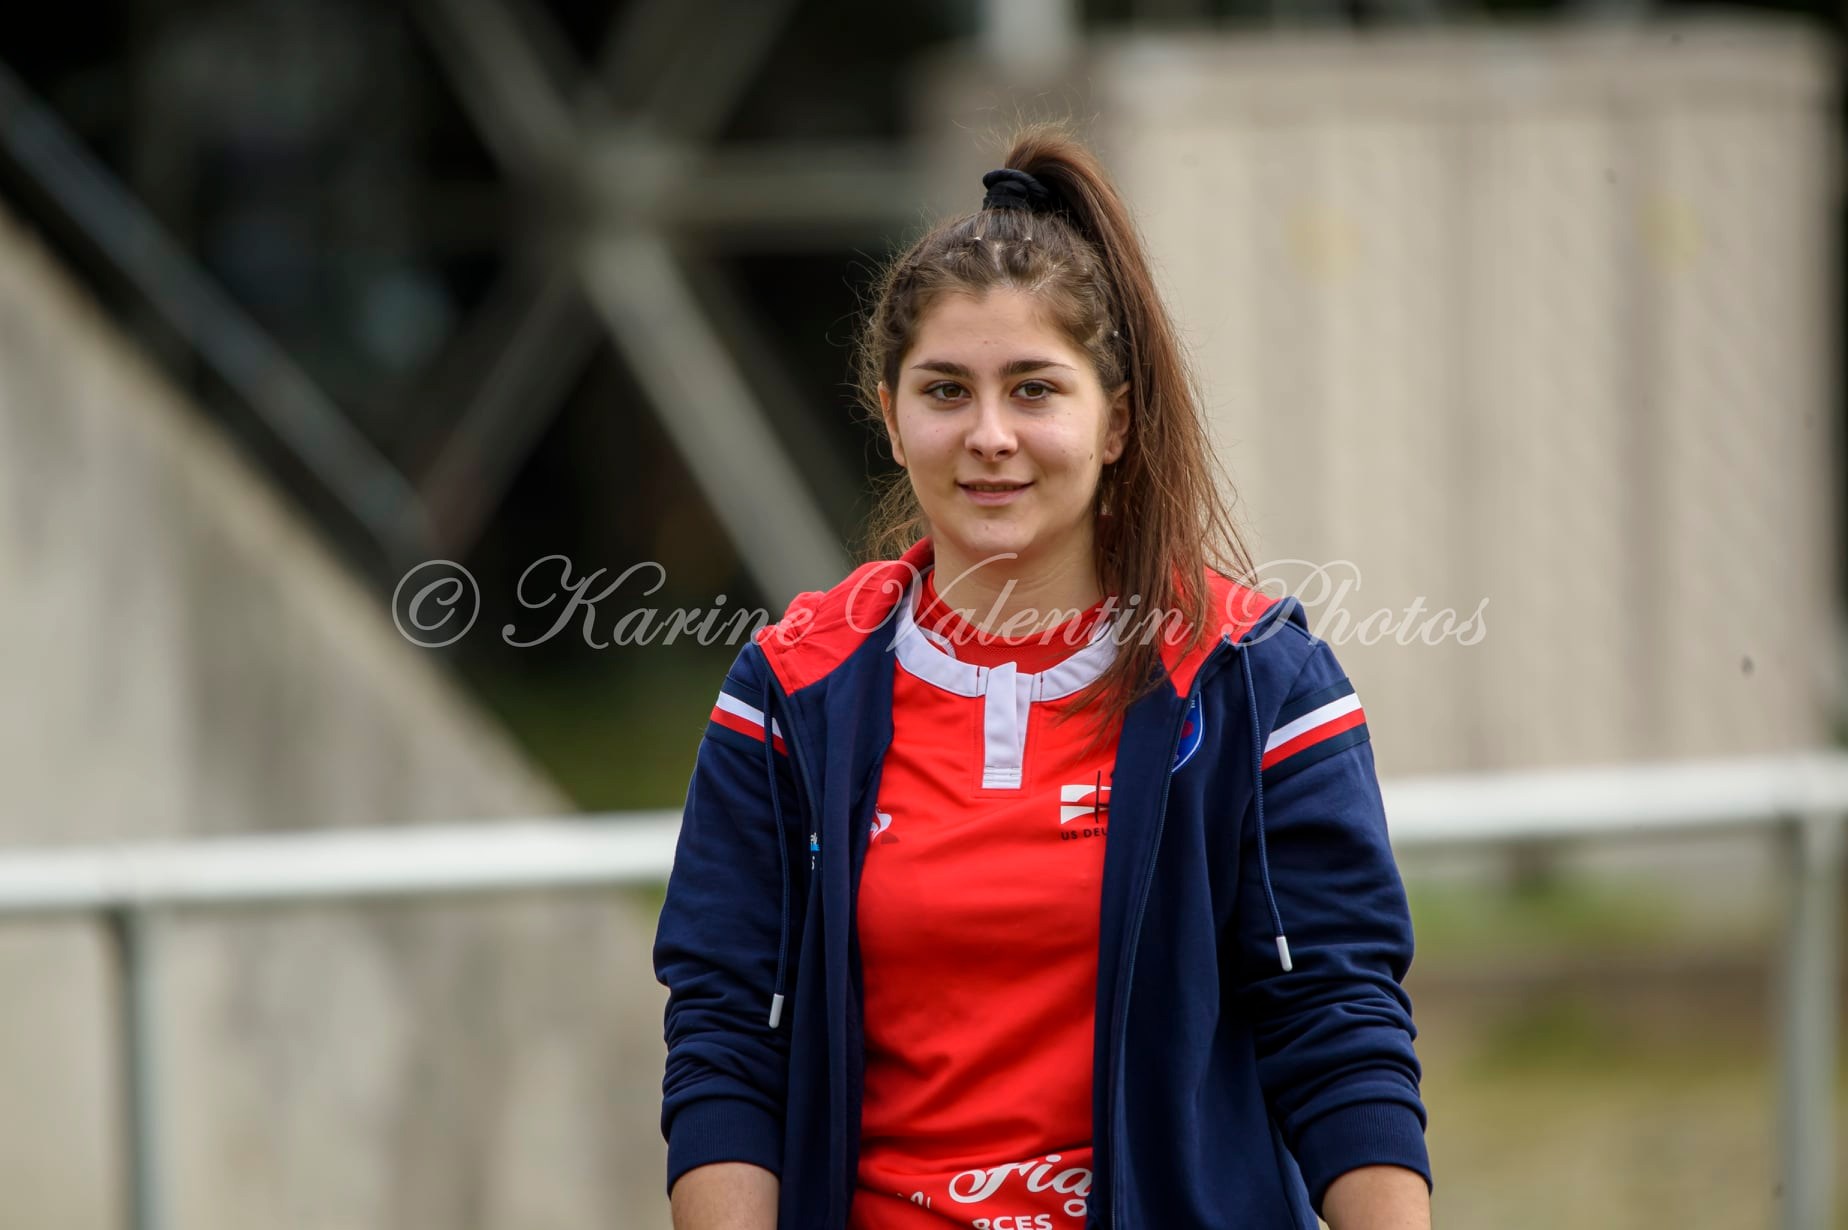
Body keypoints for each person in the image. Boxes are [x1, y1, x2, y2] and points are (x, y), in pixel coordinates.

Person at [653, 126, 1431, 1230]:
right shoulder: (791, 689)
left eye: (1033, 390)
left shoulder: (1255, 679)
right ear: (890, 414)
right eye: (944, 391)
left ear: (1114, 421)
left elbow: (1340, 1030)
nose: (989, 436)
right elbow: (728, 1035)